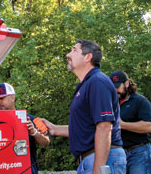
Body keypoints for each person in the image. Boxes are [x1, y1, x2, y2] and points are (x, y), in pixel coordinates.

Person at [41, 40, 126, 174]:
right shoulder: (86, 85)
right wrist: (54, 129)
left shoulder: (97, 81)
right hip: (89, 161)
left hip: (102, 160)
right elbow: (85, 129)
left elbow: (104, 127)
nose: (68, 55)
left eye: (74, 50)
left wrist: (98, 170)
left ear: (88, 57)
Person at [0, 82, 50, 174]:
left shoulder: (30, 118)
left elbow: (46, 141)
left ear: (12, 98)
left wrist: (34, 132)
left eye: (2, 98)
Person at [108, 71, 151, 174]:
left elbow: (149, 126)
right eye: (112, 87)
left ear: (127, 83)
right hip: (117, 155)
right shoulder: (110, 105)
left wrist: (122, 125)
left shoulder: (140, 101)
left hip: (139, 153)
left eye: (117, 86)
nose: (115, 90)